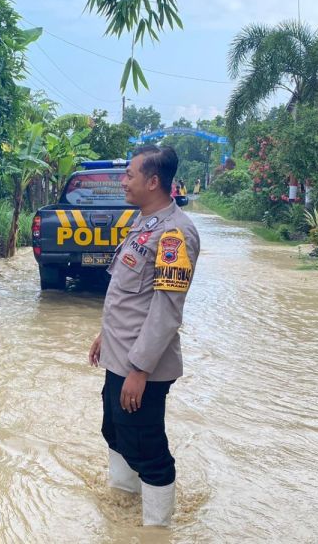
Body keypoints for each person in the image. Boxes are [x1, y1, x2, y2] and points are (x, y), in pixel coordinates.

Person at [88, 145, 200, 527]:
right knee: (113, 430)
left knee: (147, 447)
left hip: (142, 365)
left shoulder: (174, 234)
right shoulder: (143, 222)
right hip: (118, 355)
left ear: (153, 181)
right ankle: (122, 506)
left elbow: (167, 310)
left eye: (130, 175)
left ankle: (157, 528)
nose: (124, 181)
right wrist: (104, 336)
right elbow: (126, 294)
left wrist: (139, 369)